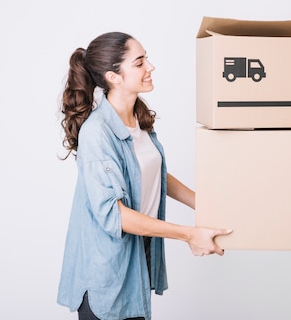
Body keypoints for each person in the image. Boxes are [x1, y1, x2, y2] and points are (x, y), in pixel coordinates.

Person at [57, 32, 232, 320]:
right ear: (113, 76)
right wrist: (189, 234)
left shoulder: (137, 118)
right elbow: (117, 215)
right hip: (106, 271)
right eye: (139, 62)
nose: (150, 67)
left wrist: (205, 205)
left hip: (137, 257)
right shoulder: (97, 133)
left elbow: (153, 173)